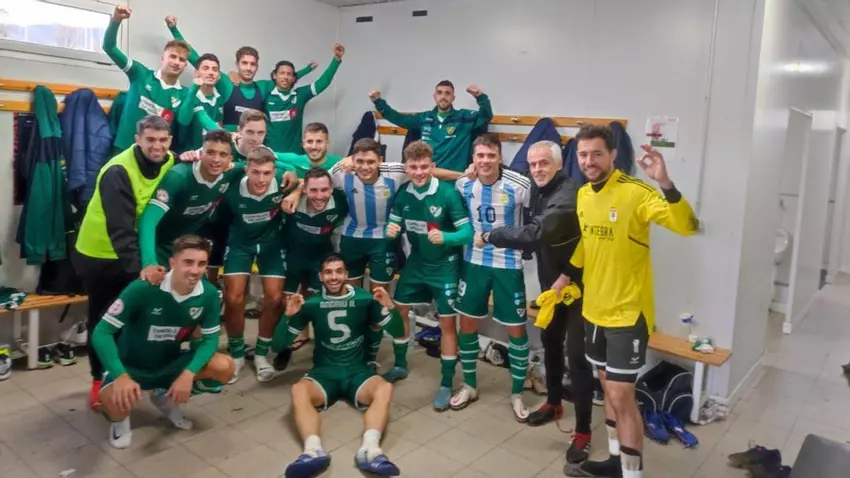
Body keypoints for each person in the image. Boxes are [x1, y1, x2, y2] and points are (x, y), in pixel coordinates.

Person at [566, 126, 699, 478]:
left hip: (627, 314)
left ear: (612, 155)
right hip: (593, 310)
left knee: (622, 396)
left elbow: (687, 226)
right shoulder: (583, 194)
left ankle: (632, 473)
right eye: (583, 155)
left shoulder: (637, 192)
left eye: (597, 154)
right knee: (608, 390)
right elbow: (587, 243)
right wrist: (566, 276)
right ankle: (616, 461)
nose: (589, 161)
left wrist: (665, 183)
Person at [480, 139, 593, 464]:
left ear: (558, 164)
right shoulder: (539, 187)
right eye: (533, 164)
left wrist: (490, 235)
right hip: (550, 286)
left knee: (577, 357)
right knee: (550, 342)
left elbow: (534, 234)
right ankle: (554, 403)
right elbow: (509, 175)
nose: (537, 169)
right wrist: (480, 168)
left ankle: (583, 431)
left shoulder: (567, 197)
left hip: (579, 288)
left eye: (544, 163)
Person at [92, 235, 234, 449]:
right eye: (188, 262)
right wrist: (120, 375)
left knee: (224, 367)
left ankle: (165, 396)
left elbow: (210, 340)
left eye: (201, 264)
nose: (195, 270)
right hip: (129, 367)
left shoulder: (210, 294)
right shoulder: (144, 287)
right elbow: (101, 332)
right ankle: (119, 422)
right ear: (172, 263)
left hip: (168, 366)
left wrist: (188, 374)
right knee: (112, 400)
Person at [74, 115, 177, 411]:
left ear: (170, 141)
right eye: (150, 140)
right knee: (104, 318)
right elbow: (121, 230)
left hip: (134, 252)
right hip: (100, 254)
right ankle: (99, 379)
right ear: (137, 139)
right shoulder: (117, 171)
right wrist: (141, 271)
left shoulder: (170, 160)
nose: (157, 146)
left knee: (139, 318)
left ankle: (133, 374)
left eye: (163, 140)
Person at [271, 254, 405, 477]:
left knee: (385, 388)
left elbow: (399, 332)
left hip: (358, 371)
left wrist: (390, 306)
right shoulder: (311, 304)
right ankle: (312, 452)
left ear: (346, 274)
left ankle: (370, 451)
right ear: (320, 276)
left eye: (339, 271)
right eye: (328, 272)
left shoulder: (365, 298)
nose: (334, 277)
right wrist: (287, 316)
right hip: (324, 372)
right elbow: (278, 345)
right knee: (298, 390)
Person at [451, 134, 532, 422]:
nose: (485, 161)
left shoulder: (519, 185)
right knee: (467, 323)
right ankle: (470, 385)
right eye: (480, 155)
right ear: (473, 158)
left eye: (490, 155)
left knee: (516, 328)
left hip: (508, 264)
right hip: (474, 262)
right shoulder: (464, 184)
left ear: (499, 157)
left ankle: (517, 393)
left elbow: (536, 218)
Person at [386, 141, 473, 408]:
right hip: (417, 263)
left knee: (447, 324)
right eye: (414, 167)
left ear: (432, 166)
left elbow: (468, 233)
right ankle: (399, 364)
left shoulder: (447, 193)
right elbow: (394, 222)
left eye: (424, 167)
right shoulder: (403, 193)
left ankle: (446, 383)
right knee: (399, 309)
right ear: (406, 168)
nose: (419, 172)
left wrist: (447, 237)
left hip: (445, 266)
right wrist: (391, 229)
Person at [218, 148, 296, 383]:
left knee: (274, 297)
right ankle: (237, 355)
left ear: (274, 172)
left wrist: (297, 190)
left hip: (271, 244)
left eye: (267, 173)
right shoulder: (232, 185)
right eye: (256, 173)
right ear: (247, 170)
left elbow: (303, 179)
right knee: (233, 298)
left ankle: (261, 355)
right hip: (240, 244)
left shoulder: (283, 181)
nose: (261, 179)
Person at [165, 16, 316, 132]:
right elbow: (196, 59)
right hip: (227, 144)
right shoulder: (227, 83)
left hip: (251, 148)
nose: (248, 68)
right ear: (237, 65)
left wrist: (307, 70)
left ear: (257, 67)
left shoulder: (263, 87)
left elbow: (286, 79)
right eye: (244, 63)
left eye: (252, 64)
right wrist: (174, 29)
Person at [138, 130, 237, 277]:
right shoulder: (179, 176)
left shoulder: (232, 173)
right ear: (200, 153)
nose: (216, 159)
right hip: (159, 248)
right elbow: (148, 220)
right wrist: (149, 262)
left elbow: (259, 165)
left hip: (188, 250)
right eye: (210, 152)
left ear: (230, 159)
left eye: (223, 155)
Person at [104, 5, 191, 152]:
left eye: (181, 60)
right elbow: (109, 47)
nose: (177, 62)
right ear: (162, 59)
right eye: (173, 56)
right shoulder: (140, 74)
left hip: (156, 157)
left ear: (185, 65)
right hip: (124, 152)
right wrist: (116, 20)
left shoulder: (185, 95)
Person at [369, 81, 492, 172]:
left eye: (447, 93)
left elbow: (486, 116)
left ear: (453, 97)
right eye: (439, 93)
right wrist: (378, 102)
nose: (443, 96)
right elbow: (399, 118)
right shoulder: (423, 118)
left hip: (454, 177)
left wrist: (480, 96)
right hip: (427, 175)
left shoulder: (465, 117)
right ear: (434, 96)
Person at [265, 44, 345, 153]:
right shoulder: (265, 95)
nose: (285, 77)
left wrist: (336, 59)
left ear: (294, 78)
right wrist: (307, 69)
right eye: (282, 73)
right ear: (275, 75)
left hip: (296, 156)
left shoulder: (299, 95)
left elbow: (322, 83)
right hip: (270, 156)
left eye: (289, 74)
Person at [283, 168, 348, 298]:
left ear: (331, 189)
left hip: (321, 256)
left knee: (317, 299)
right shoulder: (290, 200)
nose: (319, 196)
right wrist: (296, 189)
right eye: (313, 190)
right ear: (304, 189)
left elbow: (340, 229)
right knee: (286, 298)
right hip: (292, 255)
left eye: (324, 190)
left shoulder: (340, 201)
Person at [175, 54, 226, 153]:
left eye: (215, 70)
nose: (211, 73)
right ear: (196, 73)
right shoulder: (189, 95)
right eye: (206, 68)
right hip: (187, 155)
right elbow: (184, 121)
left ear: (219, 76)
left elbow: (218, 123)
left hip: (209, 154)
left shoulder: (219, 98)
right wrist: (230, 136)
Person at [274, 122, 345, 177]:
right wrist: (289, 168)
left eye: (319, 141)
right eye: (310, 141)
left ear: (327, 143)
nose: (314, 147)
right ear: (303, 144)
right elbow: (268, 154)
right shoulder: (294, 160)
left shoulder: (340, 163)